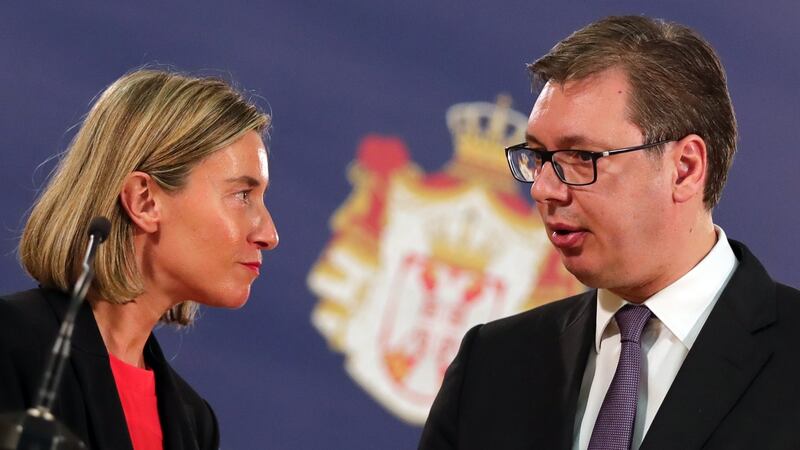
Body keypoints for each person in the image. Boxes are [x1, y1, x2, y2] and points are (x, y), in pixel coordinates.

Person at [419, 15, 800, 450]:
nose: (544, 189)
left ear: (685, 168)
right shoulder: (491, 365)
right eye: (538, 157)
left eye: (581, 156)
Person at [0, 69, 278, 449]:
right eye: (243, 195)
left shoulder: (195, 424)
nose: (269, 234)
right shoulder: (10, 345)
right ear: (144, 200)